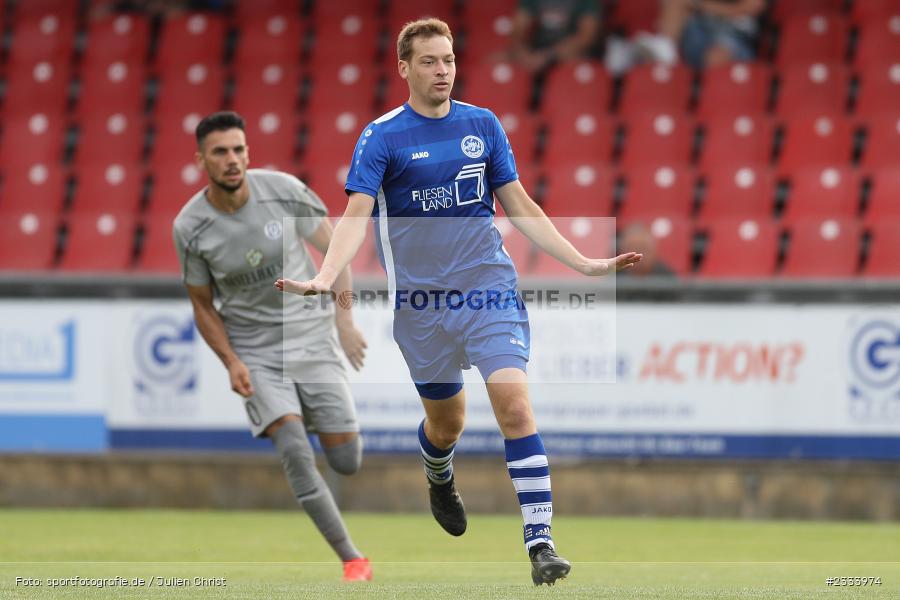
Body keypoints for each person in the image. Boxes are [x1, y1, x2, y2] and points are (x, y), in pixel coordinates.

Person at [276, 18, 641, 586]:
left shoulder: (482, 125)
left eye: (448, 60)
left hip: (487, 288)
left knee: (514, 407)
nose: (442, 70)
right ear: (404, 68)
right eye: (429, 61)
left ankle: (540, 544)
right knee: (446, 426)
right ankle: (439, 471)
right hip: (421, 306)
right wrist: (326, 275)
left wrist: (584, 262)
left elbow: (518, 203)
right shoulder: (382, 137)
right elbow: (355, 215)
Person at [172, 111, 372, 582]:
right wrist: (231, 361)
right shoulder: (190, 228)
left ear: (248, 152)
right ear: (201, 159)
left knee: (347, 461)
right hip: (254, 350)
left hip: (311, 335)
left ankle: (318, 412)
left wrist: (344, 320)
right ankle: (353, 559)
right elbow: (203, 306)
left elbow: (336, 249)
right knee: (294, 447)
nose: (232, 160)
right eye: (220, 152)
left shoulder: (283, 191)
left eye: (238, 149)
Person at [633, 0, 765, 69]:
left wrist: (702, 6)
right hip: (699, 30)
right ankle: (665, 48)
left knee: (716, 57)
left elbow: (749, 8)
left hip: (734, 34)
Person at [506, 0, 603, 71]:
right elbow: (518, 28)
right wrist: (521, 51)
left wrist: (548, 56)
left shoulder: (588, 2)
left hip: (567, 51)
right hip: (537, 49)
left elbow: (585, 37)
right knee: (499, 61)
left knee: (573, 58)